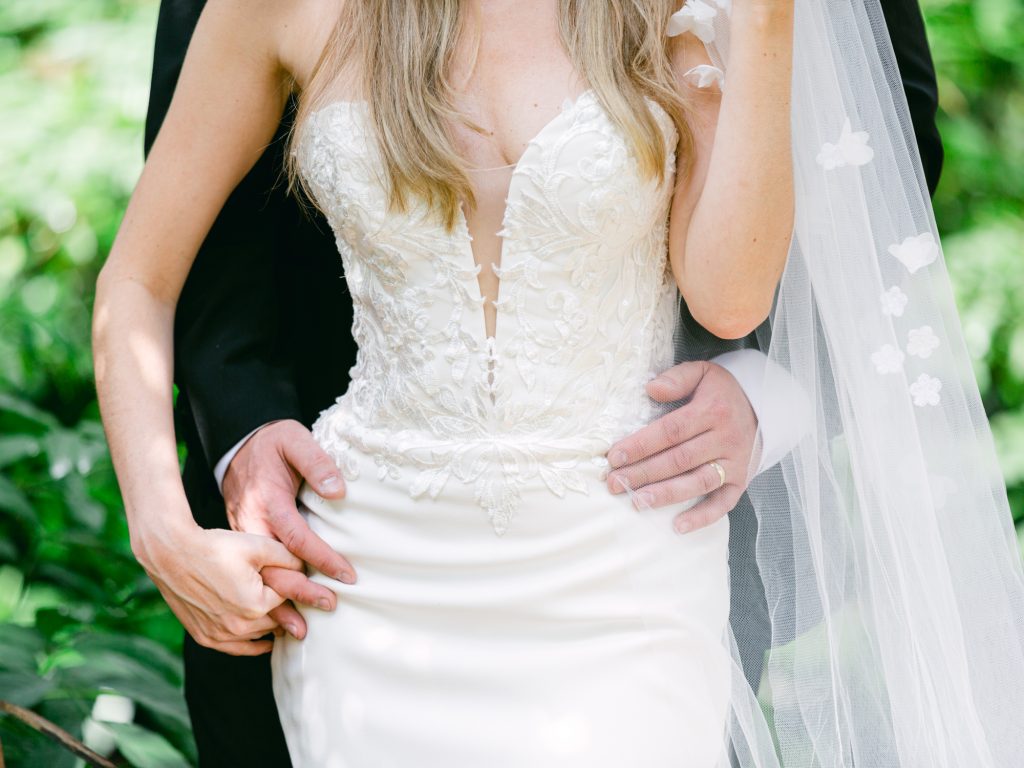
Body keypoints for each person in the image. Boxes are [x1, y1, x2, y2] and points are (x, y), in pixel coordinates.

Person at [95, 0, 1024, 765]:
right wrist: (162, 527)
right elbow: (139, 279)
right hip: (366, 580)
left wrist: (768, 27)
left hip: (624, 576)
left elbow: (736, 297)